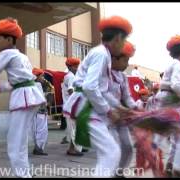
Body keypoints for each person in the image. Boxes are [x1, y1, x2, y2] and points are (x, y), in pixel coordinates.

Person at [0, 17, 46, 178]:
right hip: (30, 96)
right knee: (20, 140)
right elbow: (19, 82)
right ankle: (25, 173)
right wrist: (2, 86)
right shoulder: (21, 56)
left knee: (14, 142)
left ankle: (23, 175)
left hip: (24, 98)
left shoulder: (7, 54)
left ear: (9, 39)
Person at [63, 15, 133, 177]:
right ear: (116, 39)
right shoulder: (101, 54)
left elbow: (100, 90)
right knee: (111, 152)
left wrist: (119, 108)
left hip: (91, 105)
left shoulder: (104, 55)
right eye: (123, 41)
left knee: (110, 151)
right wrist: (109, 111)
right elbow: (90, 87)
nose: (123, 46)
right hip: (86, 106)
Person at [156, 35, 180, 177]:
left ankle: (170, 165)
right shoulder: (178, 65)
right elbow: (176, 84)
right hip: (171, 100)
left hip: (169, 99)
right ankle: (176, 169)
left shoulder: (171, 65)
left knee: (179, 136)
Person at [105, 41, 138, 177]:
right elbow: (102, 94)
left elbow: (127, 97)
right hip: (107, 117)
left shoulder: (123, 77)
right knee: (114, 149)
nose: (127, 64)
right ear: (114, 58)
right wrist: (118, 108)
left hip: (121, 118)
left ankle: (119, 173)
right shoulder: (104, 74)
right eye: (125, 60)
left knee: (128, 148)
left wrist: (136, 107)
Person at [61, 57, 83, 156]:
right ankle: (73, 149)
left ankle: (71, 148)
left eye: (77, 66)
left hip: (69, 106)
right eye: (75, 66)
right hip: (71, 107)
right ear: (70, 67)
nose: (77, 68)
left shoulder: (70, 76)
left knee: (73, 128)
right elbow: (70, 90)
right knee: (74, 128)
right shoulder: (70, 77)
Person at [31, 68, 49, 156]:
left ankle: (37, 147)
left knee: (36, 130)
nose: (43, 78)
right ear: (37, 77)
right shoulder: (38, 84)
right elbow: (41, 99)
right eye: (42, 76)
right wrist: (45, 107)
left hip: (34, 111)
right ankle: (39, 148)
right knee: (42, 130)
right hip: (40, 111)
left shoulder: (31, 85)